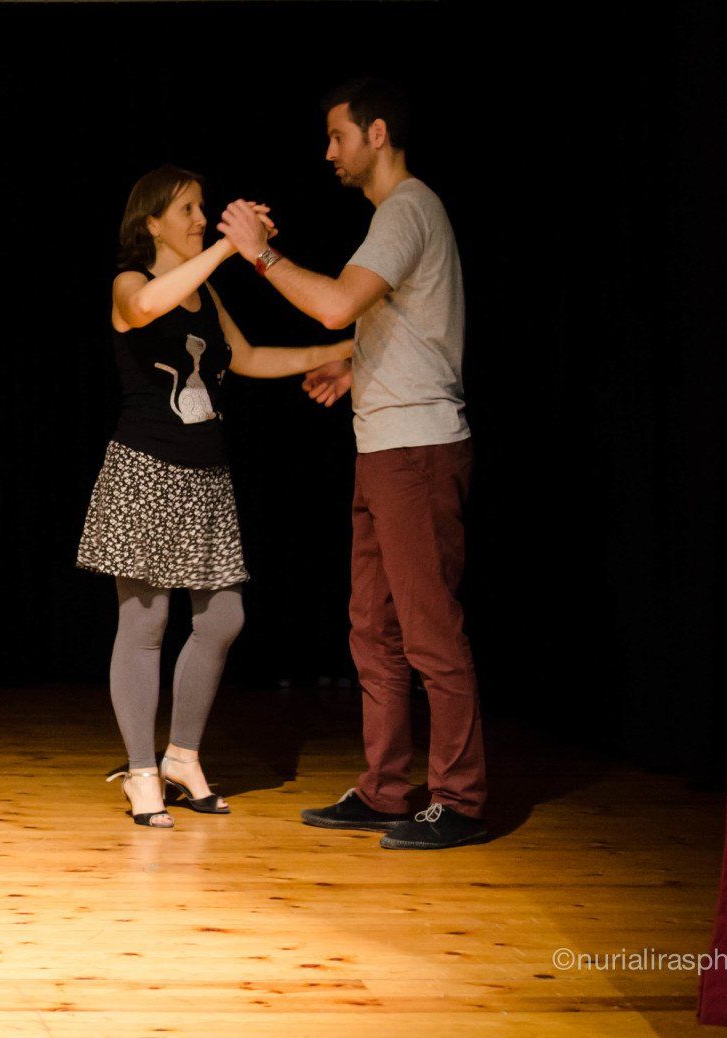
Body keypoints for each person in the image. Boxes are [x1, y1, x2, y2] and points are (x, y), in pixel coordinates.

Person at [217, 77, 488, 851]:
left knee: (429, 631)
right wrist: (356, 366)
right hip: (384, 448)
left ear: (376, 133)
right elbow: (393, 319)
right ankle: (386, 789)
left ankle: (461, 799)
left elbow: (338, 304)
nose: (328, 151)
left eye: (337, 136)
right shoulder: (394, 216)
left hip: (416, 450)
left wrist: (259, 253)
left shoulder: (406, 208)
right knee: (373, 631)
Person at [81, 166, 353, 828]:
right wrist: (232, 247)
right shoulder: (130, 283)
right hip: (146, 471)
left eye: (203, 208)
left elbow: (247, 357)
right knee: (145, 625)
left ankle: (181, 757)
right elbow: (143, 309)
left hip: (206, 476)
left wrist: (350, 345)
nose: (201, 219)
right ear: (151, 223)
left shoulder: (205, 293)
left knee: (223, 618)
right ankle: (141, 771)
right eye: (187, 210)